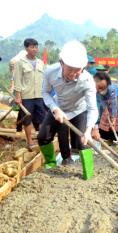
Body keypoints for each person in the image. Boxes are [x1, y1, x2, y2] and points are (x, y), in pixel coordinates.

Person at [38, 40, 98, 169]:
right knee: (43, 136)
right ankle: (51, 164)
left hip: (79, 110)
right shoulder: (50, 72)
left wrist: (88, 130)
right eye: (70, 69)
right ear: (61, 63)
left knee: (83, 142)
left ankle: (88, 172)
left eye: (78, 70)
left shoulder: (88, 80)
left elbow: (93, 108)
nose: (73, 74)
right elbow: (45, 92)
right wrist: (55, 109)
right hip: (59, 107)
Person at [14, 38, 46, 151]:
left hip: (39, 96)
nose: (35, 49)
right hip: (26, 96)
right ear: (26, 48)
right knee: (27, 119)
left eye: (36, 47)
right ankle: (30, 141)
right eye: (32, 47)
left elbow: (44, 80)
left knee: (42, 119)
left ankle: (42, 140)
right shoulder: (20, 63)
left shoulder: (41, 63)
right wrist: (18, 96)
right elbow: (17, 79)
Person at [94, 72, 118, 143]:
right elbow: (101, 100)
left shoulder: (111, 88)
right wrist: (105, 109)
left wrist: (114, 118)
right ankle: (110, 139)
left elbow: (114, 104)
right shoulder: (97, 87)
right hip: (108, 102)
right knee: (106, 118)